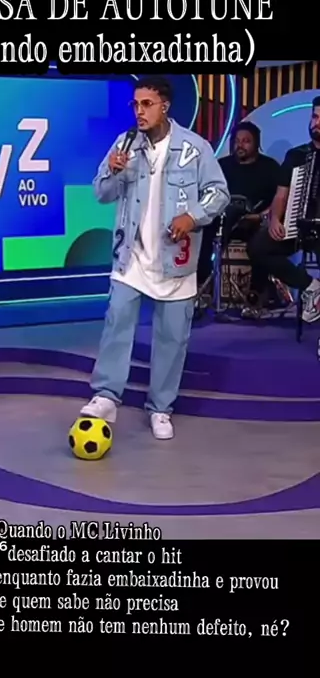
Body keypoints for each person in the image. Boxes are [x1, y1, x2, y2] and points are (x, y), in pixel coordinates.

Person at [80, 76, 230, 440]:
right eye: (135, 104)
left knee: (171, 338)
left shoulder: (194, 148)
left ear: (165, 106)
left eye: (146, 104)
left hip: (175, 260)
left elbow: (219, 193)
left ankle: (161, 408)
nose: (139, 111)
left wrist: (192, 216)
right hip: (130, 256)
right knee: (117, 323)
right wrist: (113, 171)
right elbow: (101, 193)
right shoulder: (125, 143)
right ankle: (106, 395)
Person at [247, 96, 320, 324]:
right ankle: (311, 286)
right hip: (298, 226)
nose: (316, 123)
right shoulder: (296, 155)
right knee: (258, 246)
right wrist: (275, 220)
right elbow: (281, 194)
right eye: (315, 117)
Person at [197, 121, 280, 309]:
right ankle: (202, 286)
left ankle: (255, 295)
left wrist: (261, 216)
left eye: (246, 141)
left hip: (256, 221)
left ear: (256, 144)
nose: (240, 145)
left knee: (261, 244)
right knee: (203, 231)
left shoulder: (270, 167)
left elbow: (280, 199)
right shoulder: (222, 166)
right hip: (223, 220)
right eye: (237, 141)